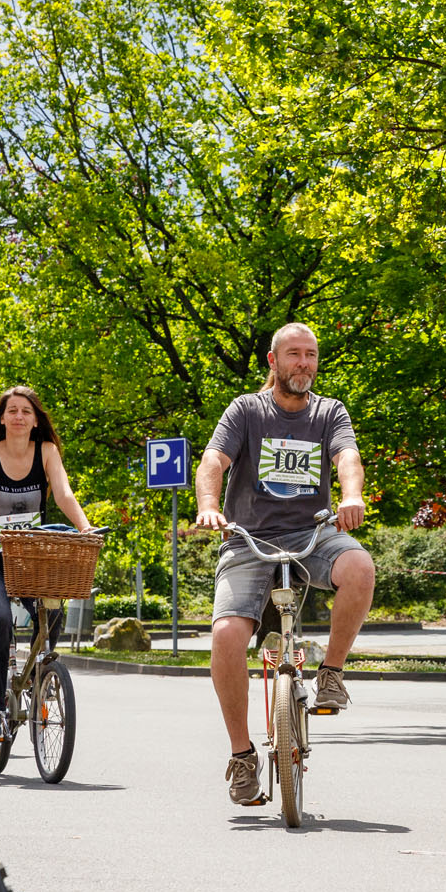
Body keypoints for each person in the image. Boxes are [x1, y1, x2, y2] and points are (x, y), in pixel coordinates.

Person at [194, 322, 375, 806]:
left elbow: (348, 457)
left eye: (311, 354)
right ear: (273, 361)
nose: (304, 364)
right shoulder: (246, 410)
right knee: (226, 635)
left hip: (312, 533)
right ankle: (241, 756)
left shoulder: (329, 412)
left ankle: (331, 673)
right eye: (294, 354)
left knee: (360, 568)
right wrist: (208, 505)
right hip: (248, 538)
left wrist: (352, 495)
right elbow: (213, 461)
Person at [0, 387, 92, 742]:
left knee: (53, 608)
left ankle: (39, 676)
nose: (19, 416)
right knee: (0, 619)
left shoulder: (46, 451)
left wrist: (85, 528)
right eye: (12, 410)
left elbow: (63, 493)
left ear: (36, 420)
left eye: (26, 411)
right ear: (2, 418)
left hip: (31, 559)